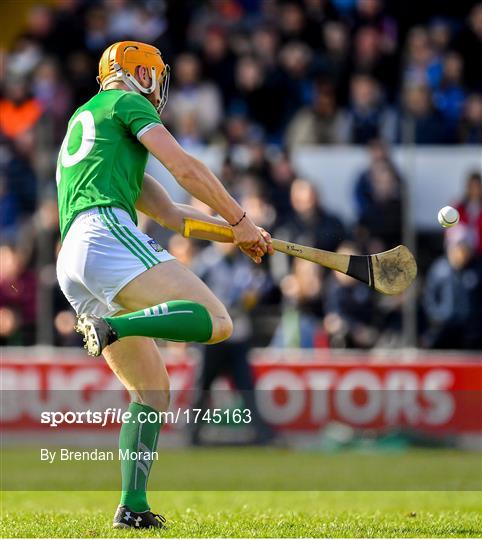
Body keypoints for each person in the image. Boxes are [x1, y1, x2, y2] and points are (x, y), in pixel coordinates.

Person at [55, 41, 271, 529]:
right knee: (219, 321)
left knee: (151, 392)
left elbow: (175, 215)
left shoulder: (94, 123)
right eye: (155, 76)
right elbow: (187, 169)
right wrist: (238, 215)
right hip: (105, 233)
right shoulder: (126, 102)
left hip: (73, 254)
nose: (159, 87)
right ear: (139, 74)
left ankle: (132, 507)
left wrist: (242, 233)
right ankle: (113, 325)